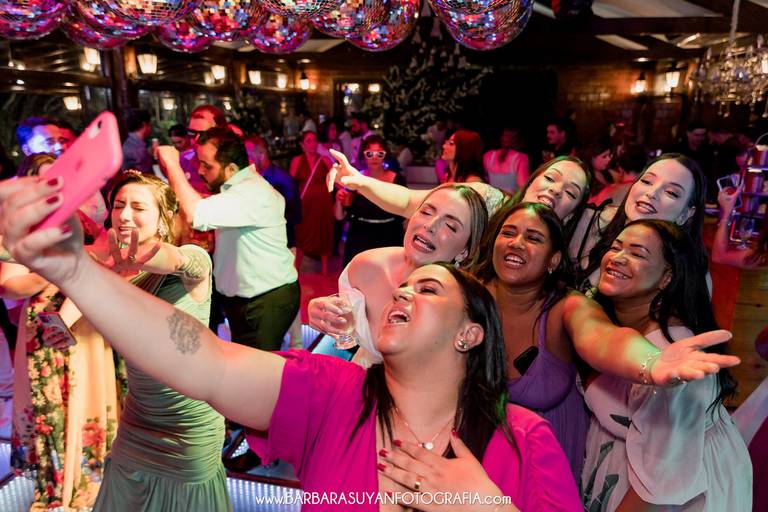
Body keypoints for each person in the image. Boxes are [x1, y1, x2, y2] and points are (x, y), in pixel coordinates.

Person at [0, 188, 584, 510]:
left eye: (428, 290)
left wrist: (488, 509)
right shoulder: (332, 395)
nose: (405, 291)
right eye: (404, 287)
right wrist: (75, 269)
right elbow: (204, 360)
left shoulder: (525, 441)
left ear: (469, 333)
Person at [469, 202, 740, 477]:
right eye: (508, 233)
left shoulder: (567, 306)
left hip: (546, 466)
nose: (516, 243)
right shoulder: (467, 297)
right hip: (475, 458)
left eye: (534, 238)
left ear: (553, 260)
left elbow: (604, 339)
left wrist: (652, 363)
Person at [82, 171, 231, 511]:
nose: (125, 215)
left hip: (187, 424)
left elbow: (179, 260)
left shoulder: (191, 263)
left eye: (138, 207)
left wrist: (149, 256)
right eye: (119, 205)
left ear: (163, 218)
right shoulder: (110, 269)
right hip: (139, 418)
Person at [582, 220, 750, 511]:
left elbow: (658, 488)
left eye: (637, 253)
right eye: (616, 247)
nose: (618, 257)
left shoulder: (674, 351)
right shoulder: (609, 324)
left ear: (666, 278)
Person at [1, 156, 113, 510]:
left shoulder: (81, 219)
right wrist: (52, 272)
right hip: (44, 326)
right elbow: (8, 285)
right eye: (43, 181)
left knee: (89, 396)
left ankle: (92, 481)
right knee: (52, 406)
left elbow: (104, 255)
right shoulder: (20, 228)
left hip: (88, 320)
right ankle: (59, 485)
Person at [311, 183, 489, 368]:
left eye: (450, 226)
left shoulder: (465, 309)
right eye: (426, 212)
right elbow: (346, 333)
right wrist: (322, 315)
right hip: (360, 377)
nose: (430, 225)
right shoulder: (366, 266)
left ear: (464, 251)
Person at [158, 128, 299, 350]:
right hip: (247, 298)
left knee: (253, 367)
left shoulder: (252, 192)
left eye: (207, 166)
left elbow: (195, 213)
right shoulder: (238, 188)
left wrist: (173, 165)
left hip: (265, 300)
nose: (200, 171)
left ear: (231, 168)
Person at [575, 154, 709, 287]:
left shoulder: (691, 276)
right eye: (647, 181)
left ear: (685, 214)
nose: (652, 193)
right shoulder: (590, 223)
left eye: (671, 192)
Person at [335, 135, 406, 266]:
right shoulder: (356, 179)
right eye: (369, 153)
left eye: (379, 153)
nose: (374, 157)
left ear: (385, 155)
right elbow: (339, 216)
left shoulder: (397, 179)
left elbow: (405, 214)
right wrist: (339, 198)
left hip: (389, 236)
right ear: (363, 155)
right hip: (360, 236)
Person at [291, 130, 334, 275]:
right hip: (304, 204)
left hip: (323, 204)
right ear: (302, 144)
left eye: (314, 140)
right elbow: (291, 183)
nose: (313, 143)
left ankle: (325, 269)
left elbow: (334, 180)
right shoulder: (297, 160)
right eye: (308, 141)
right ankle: (297, 268)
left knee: (324, 232)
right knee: (302, 233)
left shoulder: (324, 159)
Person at [483, 127, 530, 194]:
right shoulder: (521, 158)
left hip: (493, 199)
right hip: (511, 199)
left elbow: (486, 183)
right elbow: (522, 188)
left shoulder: (488, 156)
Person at [121, 108, 153, 174]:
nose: (151, 127)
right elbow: (145, 175)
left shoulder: (130, 142)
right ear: (144, 125)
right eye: (150, 124)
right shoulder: (137, 147)